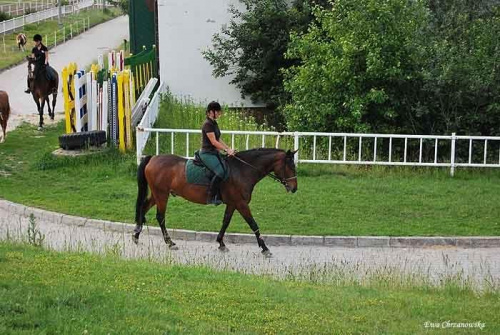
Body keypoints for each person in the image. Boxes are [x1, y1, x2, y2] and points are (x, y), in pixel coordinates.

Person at [198, 101, 236, 205]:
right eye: (218, 112)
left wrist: (229, 148)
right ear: (211, 112)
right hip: (207, 153)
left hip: (213, 152)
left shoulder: (214, 123)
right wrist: (226, 150)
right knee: (220, 171)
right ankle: (211, 196)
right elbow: (213, 142)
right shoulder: (207, 124)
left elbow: (218, 139)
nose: (219, 114)